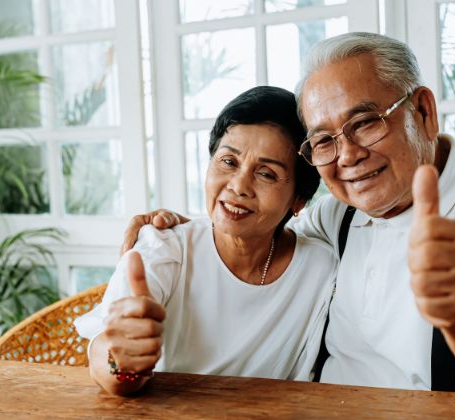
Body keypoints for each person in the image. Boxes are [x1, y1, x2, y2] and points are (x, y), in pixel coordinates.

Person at [121, 33, 455, 413]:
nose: (349, 155)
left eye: (365, 122)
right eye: (324, 140)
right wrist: (185, 232)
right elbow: (264, 216)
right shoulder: (338, 214)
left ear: (424, 112)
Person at [75, 86, 337, 396]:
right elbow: (106, 356)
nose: (239, 186)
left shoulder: (321, 268)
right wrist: (122, 361)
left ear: (299, 200)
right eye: (228, 162)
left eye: (266, 173)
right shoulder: (163, 248)